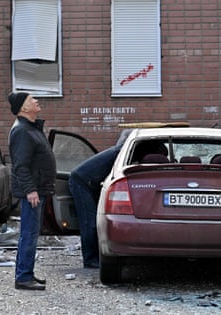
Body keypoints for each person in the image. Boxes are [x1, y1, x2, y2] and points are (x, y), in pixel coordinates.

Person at [8, 92, 56, 291]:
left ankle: (27, 273)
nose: (37, 101)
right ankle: (23, 277)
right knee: (28, 233)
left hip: (38, 189)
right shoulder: (22, 131)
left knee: (31, 232)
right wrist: (30, 190)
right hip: (32, 192)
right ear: (24, 108)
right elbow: (20, 166)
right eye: (31, 99)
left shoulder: (31, 128)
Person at [68, 129, 132, 268]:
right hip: (81, 183)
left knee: (94, 221)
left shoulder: (119, 152)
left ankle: (95, 256)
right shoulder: (120, 154)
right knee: (89, 222)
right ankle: (90, 260)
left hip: (90, 183)